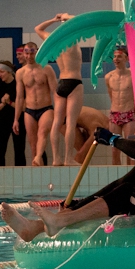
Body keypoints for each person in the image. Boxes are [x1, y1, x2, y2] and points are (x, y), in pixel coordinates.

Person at [1, 103, 135, 242]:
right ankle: (36, 228)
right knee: (124, 188)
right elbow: (122, 181)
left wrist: (113, 140)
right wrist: (80, 204)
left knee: (127, 192)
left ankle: (59, 221)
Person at [36, 13, 84, 166]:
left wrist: (53, 20)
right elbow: (79, 20)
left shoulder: (54, 40)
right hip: (74, 82)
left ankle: (56, 159)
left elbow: (38, 28)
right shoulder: (72, 38)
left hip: (61, 82)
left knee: (57, 123)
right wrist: (66, 16)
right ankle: (68, 158)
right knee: (70, 122)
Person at [13, 42, 57, 166]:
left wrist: (59, 112)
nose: (29, 56)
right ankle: (39, 173)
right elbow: (20, 97)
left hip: (46, 109)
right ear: (23, 54)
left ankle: (38, 157)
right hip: (29, 110)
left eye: (32, 52)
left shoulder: (46, 69)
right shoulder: (20, 73)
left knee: (42, 133)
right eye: (26, 53)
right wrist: (16, 119)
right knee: (33, 145)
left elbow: (55, 92)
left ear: (37, 52)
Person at [105, 47, 135, 165]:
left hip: (129, 113)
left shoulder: (133, 75)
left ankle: (130, 179)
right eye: (114, 56)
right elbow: (111, 95)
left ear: (126, 58)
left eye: (119, 56)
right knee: (115, 150)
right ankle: (117, 178)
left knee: (130, 150)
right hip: (115, 114)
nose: (116, 59)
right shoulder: (109, 77)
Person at [0, 60, 23, 165]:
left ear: (9, 72)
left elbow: (23, 107)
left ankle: (20, 173)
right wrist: (3, 103)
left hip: (17, 121)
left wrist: (9, 102)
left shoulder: (18, 85)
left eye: (2, 72)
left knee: (19, 150)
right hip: (1, 121)